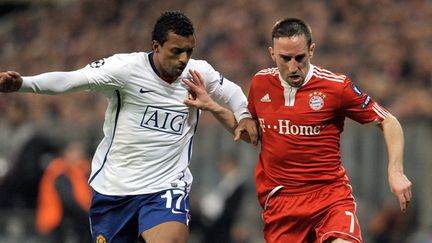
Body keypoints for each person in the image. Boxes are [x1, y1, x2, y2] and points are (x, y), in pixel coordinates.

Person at [0, 11, 258, 243]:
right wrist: (23, 83)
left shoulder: (197, 73)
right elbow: (71, 80)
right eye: (176, 51)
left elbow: (232, 92)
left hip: (165, 186)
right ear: (156, 46)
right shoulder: (124, 69)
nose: (184, 59)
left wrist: (244, 114)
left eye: (189, 51)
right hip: (115, 189)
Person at [245, 18, 412, 242]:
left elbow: (389, 122)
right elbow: (250, 132)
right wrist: (214, 107)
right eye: (285, 58)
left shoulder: (335, 87)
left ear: (311, 50)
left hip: (330, 198)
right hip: (283, 203)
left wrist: (396, 171)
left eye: (300, 57)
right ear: (272, 53)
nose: (293, 66)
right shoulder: (260, 83)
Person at [36, 141, 92, 242]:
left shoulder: (78, 172)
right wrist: (89, 216)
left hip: (67, 223)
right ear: (66, 153)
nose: (79, 157)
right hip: (55, 223)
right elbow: (68, 201)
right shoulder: (60, 172)